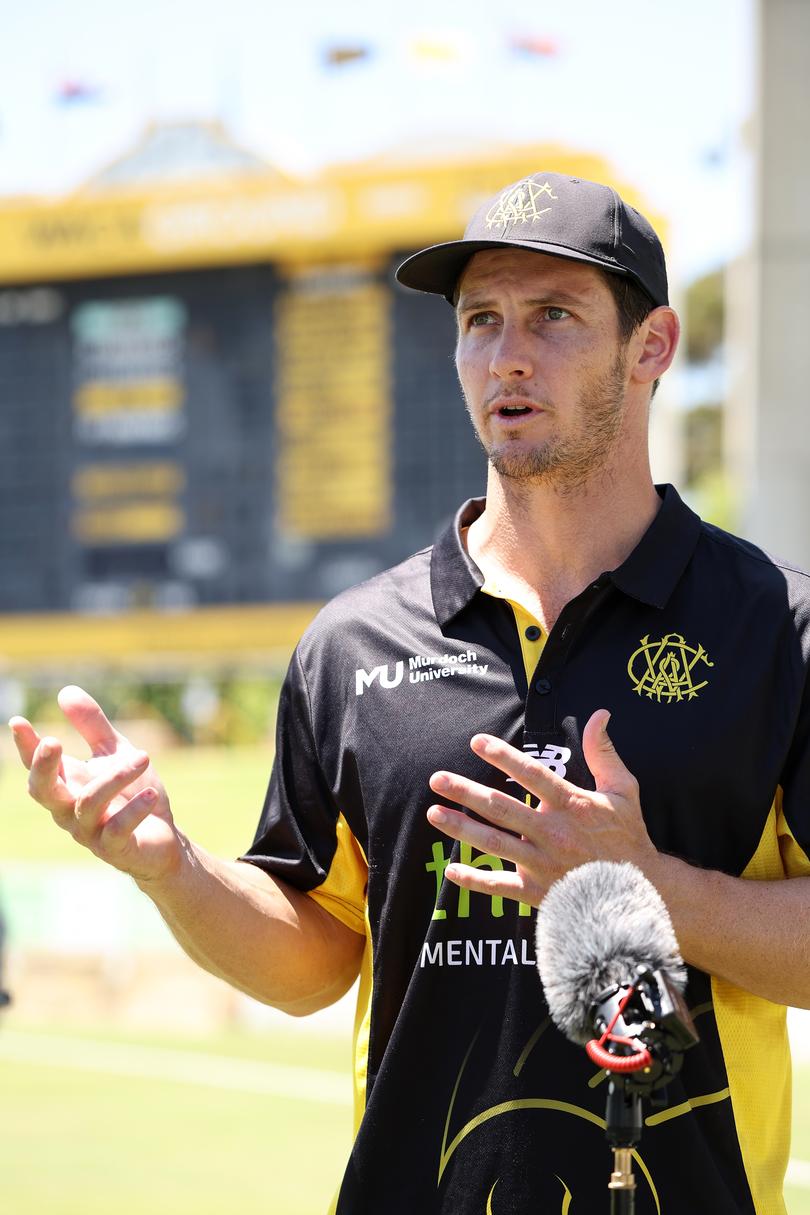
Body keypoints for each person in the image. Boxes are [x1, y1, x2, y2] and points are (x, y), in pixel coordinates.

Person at [10, 171, 810, 1214]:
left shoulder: (774, 629)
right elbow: (314, 961)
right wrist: (173, 870)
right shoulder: (351, 645)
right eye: (480, 321)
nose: (506, 354)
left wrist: (649, 884)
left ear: (651, 347)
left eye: (554, 316)